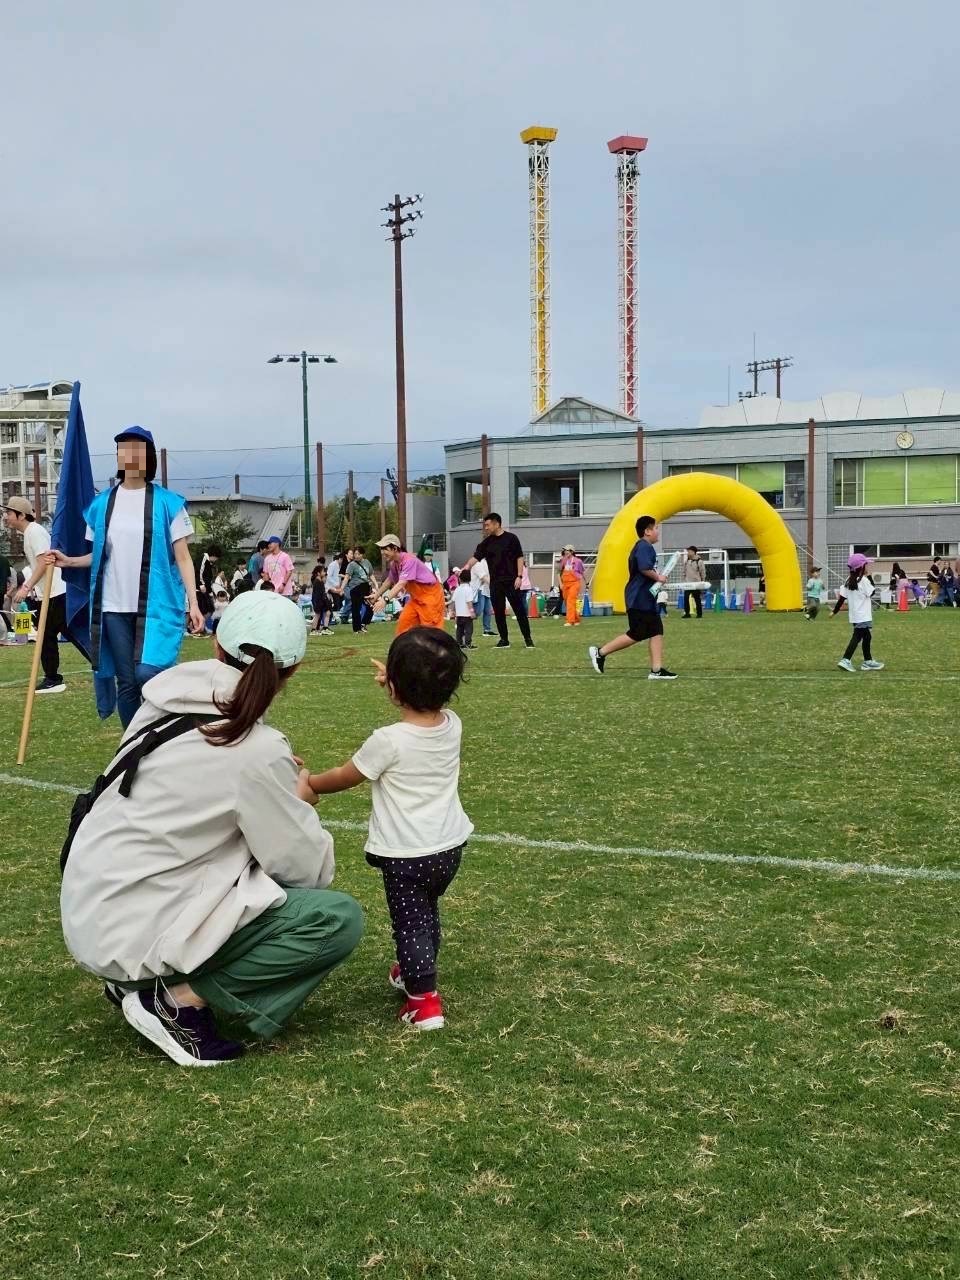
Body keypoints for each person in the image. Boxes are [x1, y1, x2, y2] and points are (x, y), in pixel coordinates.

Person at [60, 591, 364, 1066]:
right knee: (335, 918)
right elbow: (307, 870)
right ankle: (176, 1001)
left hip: (95, 909)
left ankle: (135, 982)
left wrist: (274, 785)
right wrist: (297, 801)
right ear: (294, 670)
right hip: (136, 923)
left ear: (216, 646)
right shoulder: (257, 749)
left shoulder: (160, 703)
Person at [306, 628, 472, 1031]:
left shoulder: (388, 741)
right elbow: (424, 704)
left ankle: (424, 1001)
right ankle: (417, 971)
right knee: (427, 912)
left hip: (408, 854)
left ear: (396, 688)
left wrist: (310, 783)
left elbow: (347, 775)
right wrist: (400, 685)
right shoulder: (452, 724)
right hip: (448, 846)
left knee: (410, 922)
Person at [47, 429, 204, 723]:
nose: (130, 455)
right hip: (113, 608)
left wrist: (193, 603)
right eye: (124, 449)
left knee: (148, 672)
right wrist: (68, 561)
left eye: (137, 449)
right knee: (127, 682)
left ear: (148, 457)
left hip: (157, 607)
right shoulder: (101, 505)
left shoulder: (169, 503)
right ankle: (132, 749)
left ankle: (165, 730)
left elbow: (183, 557)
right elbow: (99, 557)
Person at [588, 515, 678, 680]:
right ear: (647, 531)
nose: (658, 532)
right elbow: (644, 568)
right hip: (639, 599)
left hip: (646, 599)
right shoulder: (644, 547)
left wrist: (657, 580)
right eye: (656, 528)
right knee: (637, 633)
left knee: (657, 630)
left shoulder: (644, 547)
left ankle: (656, 670)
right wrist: (659, 578)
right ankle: (600, 652)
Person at [3, 495, 78, 693]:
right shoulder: (30, 533)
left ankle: (58, 677)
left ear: (21, 515)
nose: (5, 517)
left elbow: (45, 562)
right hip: (50, 594)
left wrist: (26, 587)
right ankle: (53, 678)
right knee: (47, 636)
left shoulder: (34, 532)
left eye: (8, 513)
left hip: (56, 593)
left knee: (73, 635)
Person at [460, 513, 533, 649]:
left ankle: (528, 639)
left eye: (488, 525)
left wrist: (519, 576)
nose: (486, 528)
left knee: (519, 610)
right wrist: (466, 566)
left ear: (496, 524)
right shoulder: (487, 543)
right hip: (495, 583)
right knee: (498, 612)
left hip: (511, 581)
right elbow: (475, 557)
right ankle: (504, 640)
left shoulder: (511, 539)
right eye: (485, 525)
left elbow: (519, 558)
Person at [367, 534, 446, 633]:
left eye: (384, 549)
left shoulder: (409, 560)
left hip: (431, 598)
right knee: (404, 625)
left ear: (395, 548)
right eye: (381, 549)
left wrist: (384, 600)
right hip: (416, 599)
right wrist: (376, 595)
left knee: (431, 632)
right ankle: (404, 648)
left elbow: (401, 584)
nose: (382, 552)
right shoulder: (394, 564)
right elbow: (389, 581)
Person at [832, 552, 884, 672]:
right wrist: (870, 576)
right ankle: (846, 659)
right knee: (857, 637)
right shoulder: (864, 580)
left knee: (867, 636)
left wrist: (834, 611)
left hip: (855, 616)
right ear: (861, 567)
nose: (867, 567)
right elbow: (872, 592)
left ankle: (867, 661)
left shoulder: (848, 580)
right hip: (863, 616)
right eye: (866, 564)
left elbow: (841, 598)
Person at [343, 546, 373, 634]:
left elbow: (371, 575)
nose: (356, 556)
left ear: (362, 554)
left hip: (366, 586)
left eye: (358, 554)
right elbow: (347, 577)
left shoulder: (367, 562)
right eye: (354, 554)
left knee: (371, 605)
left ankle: (363, 623)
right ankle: (356, 629)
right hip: (355, 587)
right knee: (356, 608)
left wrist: (375, 584)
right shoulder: (351, 565)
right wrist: (342, 588)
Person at [558, 544, 585, 627]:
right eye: (565, 550)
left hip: (575, 583)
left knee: (570, 600)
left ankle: (570, 621)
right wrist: (561, 584)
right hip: (565, 584)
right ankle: (576, 619)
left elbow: (582, 572)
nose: (566, 552)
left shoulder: (578, 561)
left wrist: (586, 582)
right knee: (567, 602)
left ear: (572, 552)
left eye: (568, 550)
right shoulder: (563, 561)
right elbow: (558, 573)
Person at [452, 569, 477, 649]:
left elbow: (454, 601)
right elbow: (469, 601)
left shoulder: (457, 589)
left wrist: (454, 612)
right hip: (467, 614)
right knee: (469, 630)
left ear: (460, 579)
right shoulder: (469, 589)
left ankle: (459, 643)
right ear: (470, 579)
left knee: (459, 630)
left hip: (459, 614)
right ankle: (468, 643)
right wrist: (472, 611)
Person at [470, 557, 495, 636]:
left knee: (488, 611)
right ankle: (462, 623)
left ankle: (487, 630)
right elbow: (484, 578)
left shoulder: (490, 562)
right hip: (479, 590)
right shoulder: (478, 563)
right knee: (478, 611)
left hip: (486, 590)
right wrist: (495, 586)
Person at [197, 544, 221, 620]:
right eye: (217, 558)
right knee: (205, 610)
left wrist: (210, 591)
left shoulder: (209, 563)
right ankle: (194, 626)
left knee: (210, 610)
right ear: (213, 555)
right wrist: (201, 585)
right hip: (199, 590)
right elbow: (198, 572)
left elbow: (208, 578)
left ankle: (198, 626)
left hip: (206, 590)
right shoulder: (203, 559)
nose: (216, 560)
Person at [681, 546, 706, 619]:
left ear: (693, 552)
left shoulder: (699, 561)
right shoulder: (686, 562)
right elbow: (684, 572)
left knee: (697, 599)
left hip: (696, 584)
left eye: (689, 551)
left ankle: (699, 614)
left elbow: (703, 572)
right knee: (686, 599)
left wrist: (702, 582)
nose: (688, 553)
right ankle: (687, 613)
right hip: (688, 583)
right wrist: (684, 580)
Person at [310, 564, 333, 634]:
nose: (324, 573)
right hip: (318, 601)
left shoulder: (320, 582)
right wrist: (323, 601)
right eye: (323, 572)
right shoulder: (317, 582)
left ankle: (324, 628)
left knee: (326, 613)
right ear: (318, 573)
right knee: (317, 615)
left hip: (321, 601)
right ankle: (313, 630)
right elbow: (318, 594)